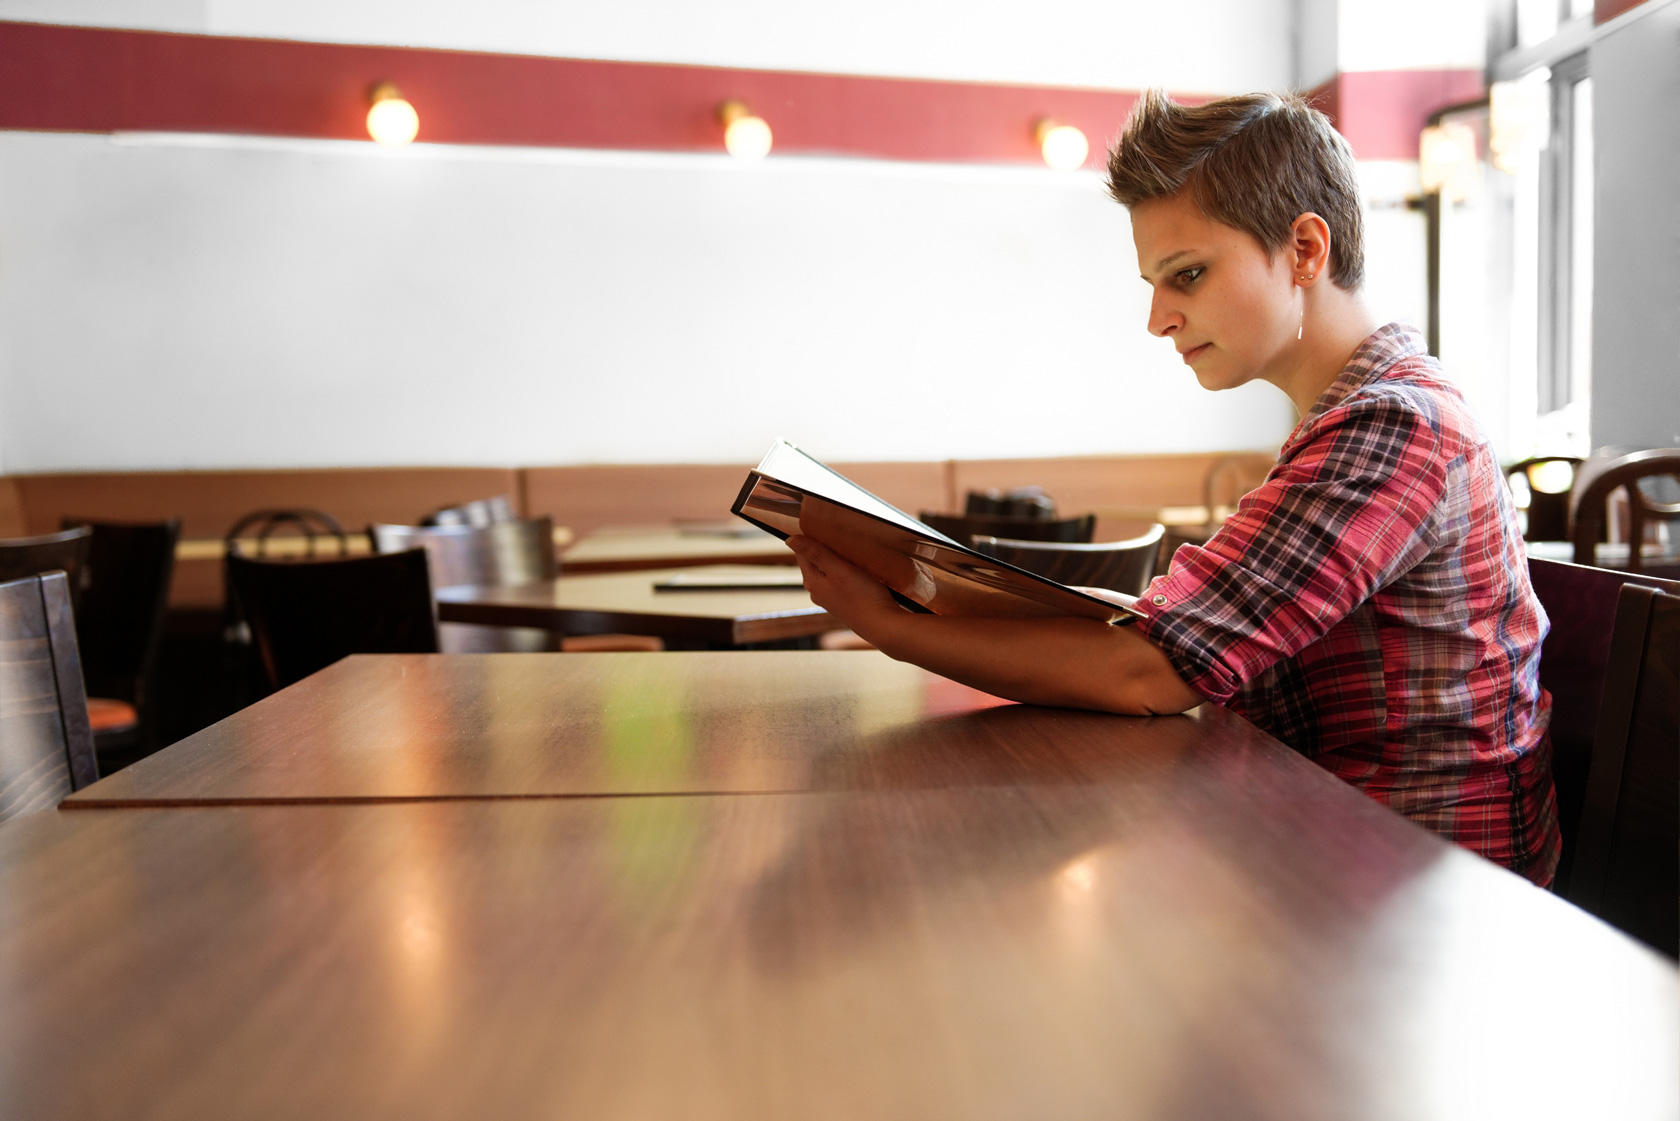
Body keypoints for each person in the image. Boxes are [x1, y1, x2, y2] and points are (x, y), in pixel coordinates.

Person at [788, 89, 1560, 886]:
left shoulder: (1393, 426)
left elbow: (1148, 671)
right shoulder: (1361, 415)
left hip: (1429, 897)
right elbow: (1173, 645)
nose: (1159, 318)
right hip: (1339, 849)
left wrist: (889, 624)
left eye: (1186, 275)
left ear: (1303, 249)